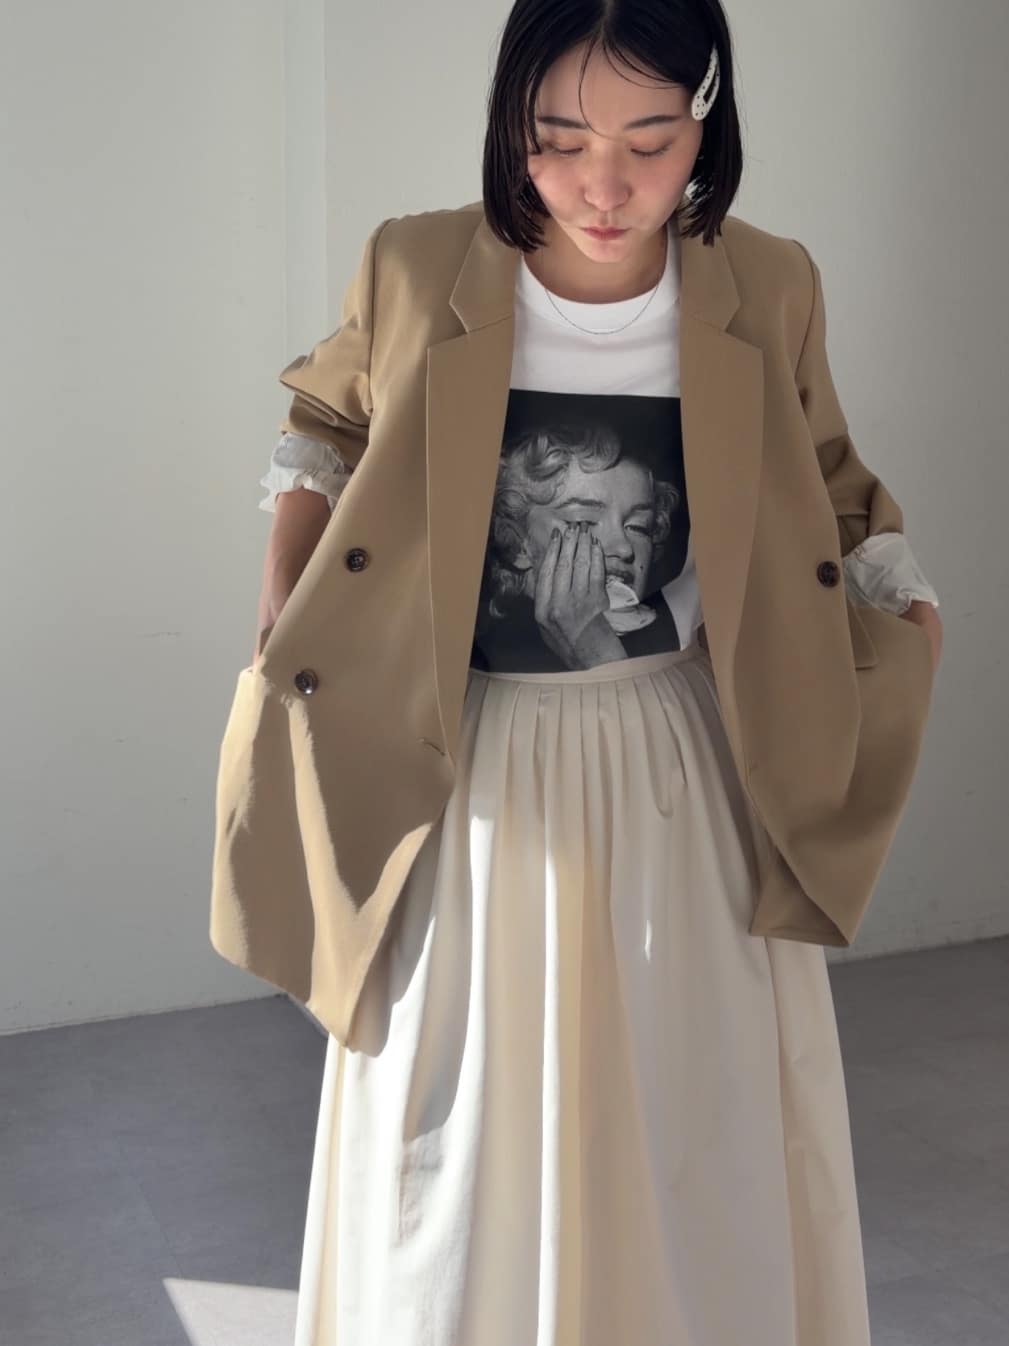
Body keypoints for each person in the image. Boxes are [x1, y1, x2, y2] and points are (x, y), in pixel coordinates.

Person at [243, 3, 943, 1343]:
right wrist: (283, 579)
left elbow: (831, 478)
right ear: (509, 120)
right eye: (557, 139)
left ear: (706, 126)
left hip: (681, 753)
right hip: (464, 752)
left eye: (649, 139)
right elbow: (327, 417)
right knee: (454, 1113)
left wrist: (906, 607)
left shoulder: (768, 284)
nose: (601, 186)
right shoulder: (417, 265)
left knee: (690, 1102)